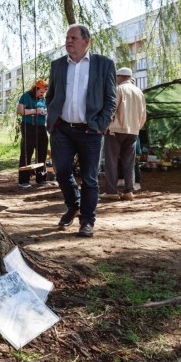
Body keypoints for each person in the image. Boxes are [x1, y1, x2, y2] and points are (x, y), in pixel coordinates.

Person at [45, 24, 117, 237]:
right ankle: (73, 204)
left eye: (73, 38)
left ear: (87, 41)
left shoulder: (103, 64)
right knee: (62, 171)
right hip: (62, 130)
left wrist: (101, 125)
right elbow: (51, 96)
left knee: (90, 178)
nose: (69, 41)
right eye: (67, 38)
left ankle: (87, 221)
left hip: (90, 131)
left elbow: (110, 99)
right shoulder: (57, 65)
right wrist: (53, 120)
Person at [103, 67, 147, 200]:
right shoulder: (139, 92)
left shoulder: (118, 89)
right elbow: (143, 115)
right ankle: (129, 190)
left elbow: (111, 108)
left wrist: (106, 125)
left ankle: (111, 191)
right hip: (133, 131)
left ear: (120, 77)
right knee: (129, 162)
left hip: (116, 130)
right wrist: (137, 128)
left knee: (111, 161)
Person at [16, 79, 48, 189]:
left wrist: (45, 112)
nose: (42, 94)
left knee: (42, 152)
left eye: (44, 93)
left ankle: (41, 178)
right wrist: (34, 111)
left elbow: (45, 110)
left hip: (41, 127)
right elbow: (20, 111)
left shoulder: (43, 99)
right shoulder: (26, 96)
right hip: (29, 126)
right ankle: (24, 180)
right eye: (41, 92)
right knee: (27, 152)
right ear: (36, 88)